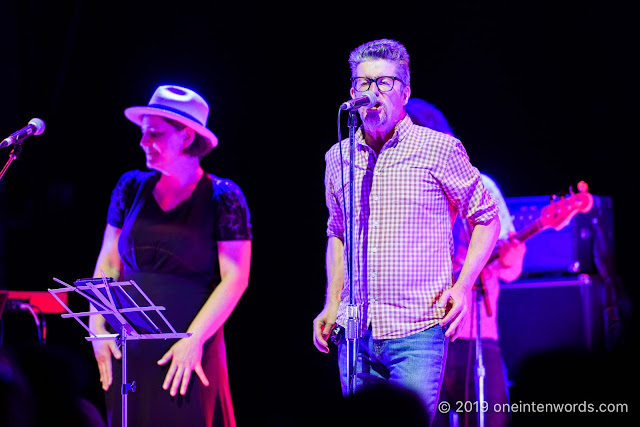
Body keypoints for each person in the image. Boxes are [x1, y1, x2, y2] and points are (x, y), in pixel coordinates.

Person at [312, 39, 501, 424]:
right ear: (352, 93)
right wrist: (332, 302)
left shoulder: (440, 150)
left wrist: (462, 286)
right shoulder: (338, 157)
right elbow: (337, 232)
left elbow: (487, 217)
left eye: (384, 82)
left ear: (405, 92)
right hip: (355, 331)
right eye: (363, 83)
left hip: (416, 331)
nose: (372, 92)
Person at [89, 85, 252, 427]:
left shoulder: (222, 196)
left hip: (190, 347)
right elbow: (107, 262)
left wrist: (192, 340)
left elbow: (235, 277)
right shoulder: (131, 186)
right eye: (143, 132)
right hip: (129, 344)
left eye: (155, 133)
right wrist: (97, 324)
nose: (143, 141)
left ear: (187, 136)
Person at [405, 97, 527, 427]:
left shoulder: (481, 185)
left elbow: (511, 268)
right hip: (418, 335)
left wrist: (512, 256)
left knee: (488, 419)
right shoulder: (401, 191)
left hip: (476, 333)